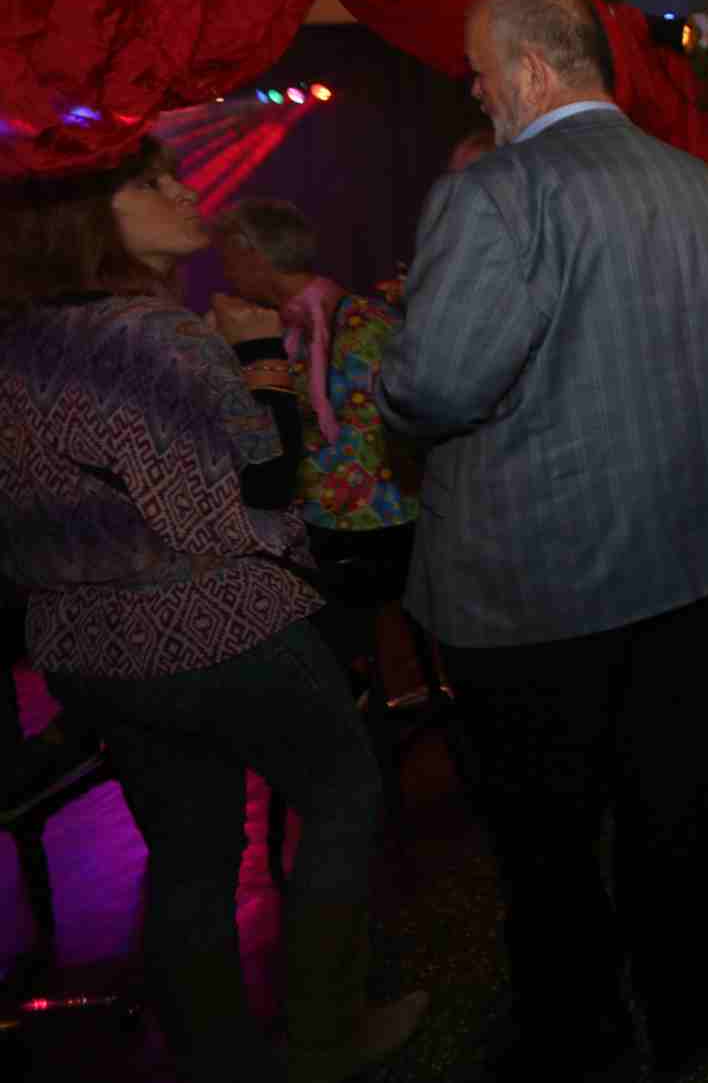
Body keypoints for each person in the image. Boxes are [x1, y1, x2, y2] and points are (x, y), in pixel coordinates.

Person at [375, 0, 708, 1081]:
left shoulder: (497, 194)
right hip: (693, 558)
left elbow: (432, 386)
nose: (475, 93)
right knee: (672, 800)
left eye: (479, 74)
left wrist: (388, 362)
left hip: (536, 578)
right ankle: (684, 1001)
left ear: (532, 71)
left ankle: (577, 1032)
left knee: (545, 835)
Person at [0, 130, 422, 1083]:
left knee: (188, 850)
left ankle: (217, 1058)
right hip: (218, 623)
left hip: (87, 645)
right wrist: (258, 350)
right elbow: (262, 485)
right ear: (88, 215)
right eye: (152, 182)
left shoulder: (16, 340)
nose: (187, 191)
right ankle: (326, 1038)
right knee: (343, 793)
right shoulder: (155, 335)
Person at [212, 199, 421, 684]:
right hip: (355, 521)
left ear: (250, 253)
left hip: (372, 528)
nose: (225, 272)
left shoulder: (354, 324)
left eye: (227, 258)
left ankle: (361, 691)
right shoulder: (333, 320)